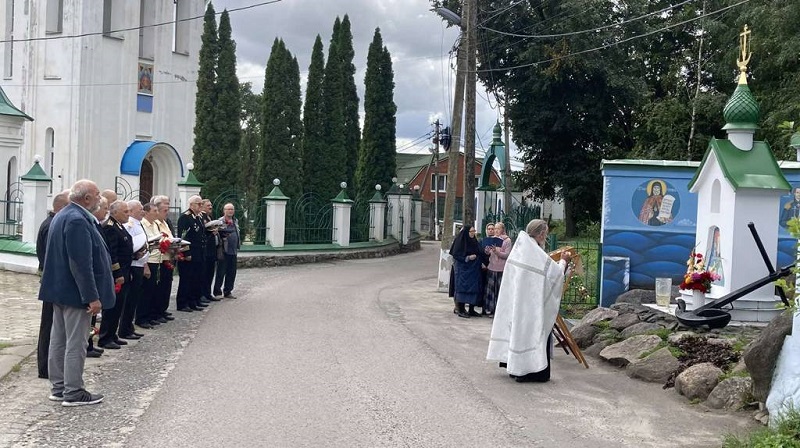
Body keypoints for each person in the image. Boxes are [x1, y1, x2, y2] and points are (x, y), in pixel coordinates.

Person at [39, 179, 114, 406]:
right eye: (98, 194)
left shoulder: (64, 215)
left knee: (59, 340)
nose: (101, 199)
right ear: (87, 198)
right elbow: (80, 263)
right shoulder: (77, 219)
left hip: (60, 291)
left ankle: (59, 387)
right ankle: (73, 391)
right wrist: (91, 296)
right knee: (75, 342)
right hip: (74, 293)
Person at [486, 219, 570, 383]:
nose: (545, 237)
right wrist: (564, 261)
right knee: (532, 334)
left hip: (516, 302)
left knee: (517, 331)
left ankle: (515, 368)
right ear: (540, 234)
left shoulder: (520, 247)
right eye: (545, 234)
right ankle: (531, 371)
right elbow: (555, 275)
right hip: (531, 305)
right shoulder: (535, 252)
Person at [35, 190, 70, 379]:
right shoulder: (51, 226)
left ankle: (51, 365)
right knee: (49, 326)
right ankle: (45, 367)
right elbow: (53, 257)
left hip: (53, 283)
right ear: (62, 207)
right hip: (52, 283)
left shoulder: (54, 222)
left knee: (53, 326)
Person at [98, 201, 134, 350]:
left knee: (119, 306)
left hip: (125, 271)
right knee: (112, 306)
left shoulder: (119, 226)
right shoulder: (111, 228)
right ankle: (105, 337)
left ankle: (113, 334)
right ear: (115, 212)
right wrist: (117, 273)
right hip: (117, 274)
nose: (128, 214)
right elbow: (112, 254)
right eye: (125, 212)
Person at [119, 200, 148, 340]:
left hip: (139, 263)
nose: (143, 211)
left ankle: (128, 327)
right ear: (131, 211)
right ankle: (124, 329)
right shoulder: (129, 224)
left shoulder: (137, 223)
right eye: (140, 209)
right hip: (133, 264)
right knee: (129, 299)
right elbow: (129, 244)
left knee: (134, 298)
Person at [176, 195, 206, 312]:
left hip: (199, 252)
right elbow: (183, 236)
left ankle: (194, 300)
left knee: (196, 278)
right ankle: (183, 303)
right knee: (187, 279)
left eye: (201, 204)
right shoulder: (185, 218)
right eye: (198, 204)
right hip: (189, 254)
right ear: (191, 205)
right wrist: (186, 253)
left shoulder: (198, 217)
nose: (200, 206)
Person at [450, 225, 483, 318]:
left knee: (474, 289)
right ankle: (460, 309)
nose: (473, 233)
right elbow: (456, 255)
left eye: (474, 231)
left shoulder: (474, 241)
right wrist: (467, 258)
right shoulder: (460, 241)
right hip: (462, 269)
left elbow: (479, 251)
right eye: (471, 231)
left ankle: (471, 309)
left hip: (473, 269)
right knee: (462, 288)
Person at [484, 222, 512, 316]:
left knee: (500, 290)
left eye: (498, 228)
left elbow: (507, 255)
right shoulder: (492, 239)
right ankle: (490, 309)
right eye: (495, 228)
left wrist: (497, 252)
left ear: (503, 230)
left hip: (501, 269)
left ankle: (499, 311)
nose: (496, 230)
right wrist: (487, 250)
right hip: (492, 267)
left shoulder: (507, 240)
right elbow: (488, 253)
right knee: (491, 290)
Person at [213, 203, 240, 299]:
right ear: (224, 210)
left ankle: (228, 291)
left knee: (232, 272)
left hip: (233, 251)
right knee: (221, 272)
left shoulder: (235, 221)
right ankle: (217, 292)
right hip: (223, 250)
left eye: (232, 209)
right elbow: (216, 234)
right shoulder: (220, 221)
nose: (230, 211)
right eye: (228, 209)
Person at [199, 199, 220, 303]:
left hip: (212, 250)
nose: (210, 207)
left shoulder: (209, 217)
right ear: (202, 207)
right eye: (208, 206)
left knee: (210, 273)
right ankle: (202, 294)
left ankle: (208, 293)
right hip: (206, 250)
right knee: (204, 273)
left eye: (211, 205)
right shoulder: (201, 217)